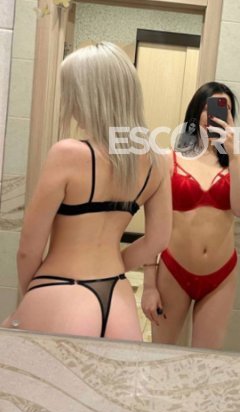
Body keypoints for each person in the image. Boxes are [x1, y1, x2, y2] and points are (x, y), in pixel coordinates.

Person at [1, 42, 171, 340]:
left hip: (60, 288)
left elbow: (28, 250)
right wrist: (115, 264)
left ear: (91, 97)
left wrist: (34, 296)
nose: (70, 103)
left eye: (73, 93)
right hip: (118, 296)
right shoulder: (157, 161)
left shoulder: (67, 154)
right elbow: (158, 239)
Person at [151, 82, 240, 350]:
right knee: (161, 353)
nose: (214, 115)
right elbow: (154, 224)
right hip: (174, 270)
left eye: (223, 109)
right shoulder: (169, 159)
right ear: (196, 113)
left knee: (206, 360)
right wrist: (149, 285)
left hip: (221, 275)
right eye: (208, 108)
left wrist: (233, 155)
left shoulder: (238, 163)